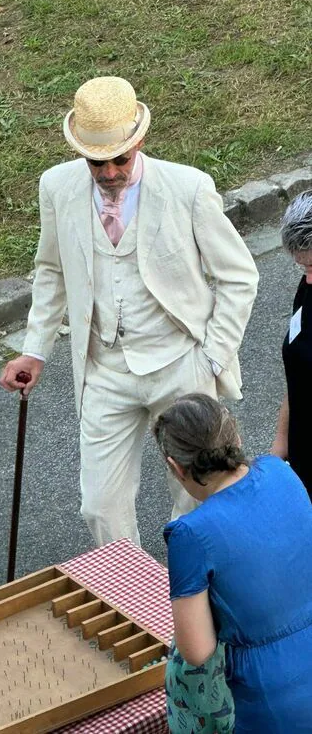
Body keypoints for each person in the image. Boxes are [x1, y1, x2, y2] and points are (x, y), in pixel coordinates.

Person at [0, 76, 258, 546]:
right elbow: (51, 271)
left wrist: (212, 358)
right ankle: (133, 602)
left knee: (198, 501)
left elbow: (240, 276)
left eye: (120, 159)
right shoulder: (56, 188)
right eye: (97, 162)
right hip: (104, 371)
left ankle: (201, 599)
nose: (109, 172)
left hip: (181, 363)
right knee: (99, 506)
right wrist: (34, 351)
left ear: (139, 141)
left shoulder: (189, 188)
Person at [154, 393, 312, 733]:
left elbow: (197, 650)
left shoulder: (189, 534)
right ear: (236, 436)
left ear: (176, 466)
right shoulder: (280, 471)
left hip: (269, 701)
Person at [271, 190, 312, 497]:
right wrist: (281, 441)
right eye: (302, 267)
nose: (307, 277)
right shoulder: (307, 288)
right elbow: (298, 373)